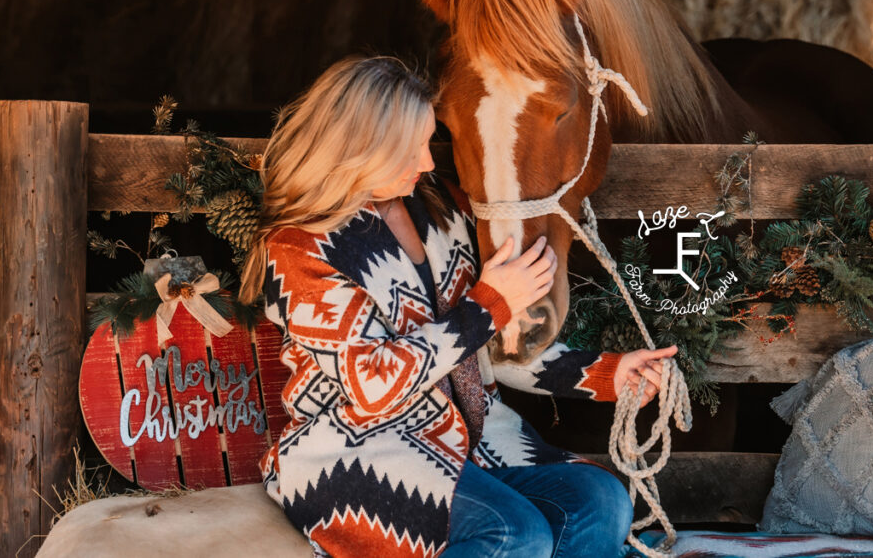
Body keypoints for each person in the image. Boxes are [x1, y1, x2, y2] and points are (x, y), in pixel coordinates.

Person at [238, 55, 679, 558]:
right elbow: (372, 386)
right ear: (361, 147)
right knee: (514, 534)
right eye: (413, 147)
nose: (428, 162)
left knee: (601, 501)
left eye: (429, 141)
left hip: (469, 443)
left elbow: (489, 348)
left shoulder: (443, 209)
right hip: (357, 457)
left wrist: (606, 374)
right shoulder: (302, 249)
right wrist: (487, 304)